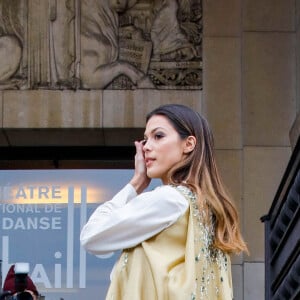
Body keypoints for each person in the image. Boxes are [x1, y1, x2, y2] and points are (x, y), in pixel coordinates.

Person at [80, 104, 249, 299]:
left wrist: (135, 184)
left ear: (189, 144)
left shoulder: (168, 199)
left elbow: (91, 236)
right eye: (145, 139)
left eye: (158, 136)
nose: (146, 147)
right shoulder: (204, 208)